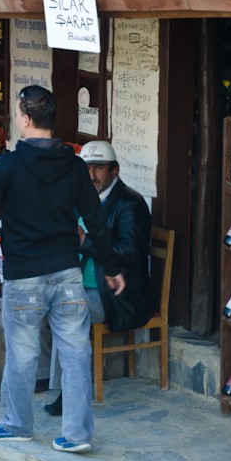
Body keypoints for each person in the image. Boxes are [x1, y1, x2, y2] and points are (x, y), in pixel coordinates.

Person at [0, 85, 124, 454]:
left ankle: (17, 424)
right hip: (67, 276)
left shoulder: (7, 165)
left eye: (17, 112)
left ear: (26, 119)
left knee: (23, 354)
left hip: (24, 278)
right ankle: (77, 435)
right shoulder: (75, 167)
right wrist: (110, 267)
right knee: (76, 353)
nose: (16, 118)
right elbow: (97, 222)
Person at [45, 141, 154, 416]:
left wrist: (84, 240)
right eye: (86, 168)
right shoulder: (82, 198)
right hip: (81, 283)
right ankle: (55, 383)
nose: (91, 175)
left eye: (99, 168)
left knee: (65, 310)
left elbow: (129, 253)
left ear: (114, 171)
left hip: (118, 295)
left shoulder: (131, 203)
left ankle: (68, 392)